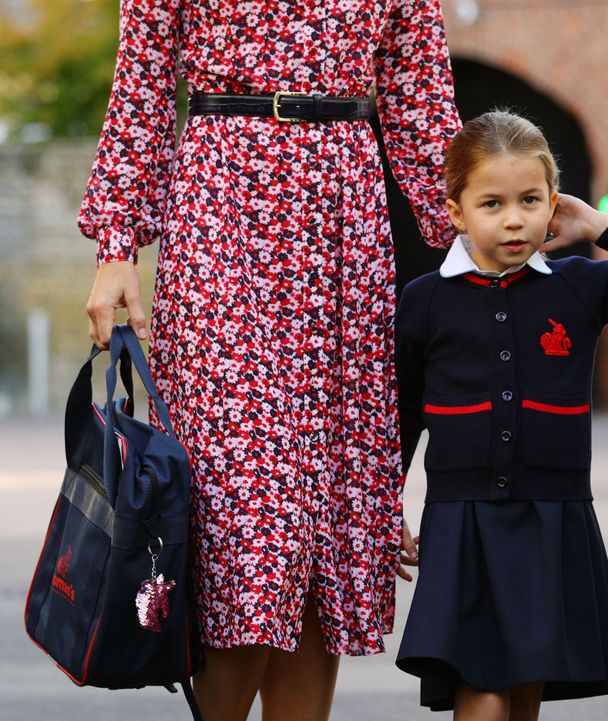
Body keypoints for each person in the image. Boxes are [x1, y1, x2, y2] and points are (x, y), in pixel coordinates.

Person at [79, 1, 460, 718]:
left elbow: (422, 100)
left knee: (325, 515)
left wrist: (485, 242)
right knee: (249, 517)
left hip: (342, 214)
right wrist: (117, 247)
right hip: (223, 204)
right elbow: (145, 83)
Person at [395, 110, 608, 719]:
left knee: (524, 695)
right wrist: (386, 508)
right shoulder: (425, 300)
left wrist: (597, 224)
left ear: (552, 203)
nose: (514, 218)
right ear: (456, 212)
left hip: (551, 517)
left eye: (531, 200)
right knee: (480, 693)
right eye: (492, 204)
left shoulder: (578, 286)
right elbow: (404, 416)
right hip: (463, 522)